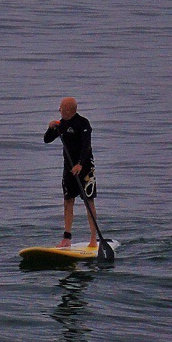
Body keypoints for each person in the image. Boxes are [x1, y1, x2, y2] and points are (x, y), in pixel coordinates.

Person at [43, 96, 98, 249]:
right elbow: (47, 140)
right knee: (68, 202)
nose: (59, 110)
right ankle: (67, 238)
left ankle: (93, 239)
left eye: (61, 108)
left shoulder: (83, 123)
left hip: (85, 168)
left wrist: (80, 164)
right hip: (68, 169)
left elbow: (86, 146)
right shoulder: (61, 124)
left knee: (88, 202)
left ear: (68, 110)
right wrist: (50, 128)